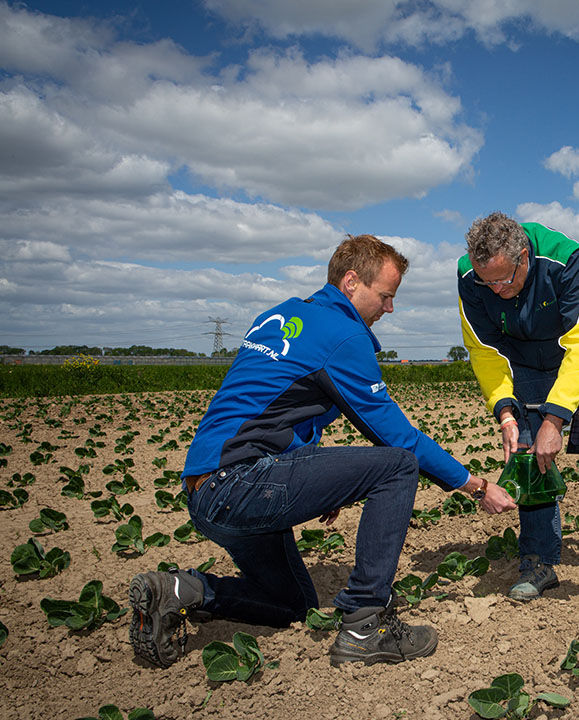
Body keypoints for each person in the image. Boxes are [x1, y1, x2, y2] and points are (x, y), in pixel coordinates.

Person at [128, 234, 516, 669]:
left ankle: (183, 592)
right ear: (351, 282)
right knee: (398, 466)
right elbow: (398, 438)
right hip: (241, 483)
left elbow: (274, 410)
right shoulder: (342, 334)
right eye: (386, 296)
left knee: (291, 604)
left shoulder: (279, 317)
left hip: (206, 490)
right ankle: (365, 623)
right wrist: (474, 484)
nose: (389, 309)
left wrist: (317, 483)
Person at [457, 212, 579, 601]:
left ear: (524, 256)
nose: (494, 290)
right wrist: (506, 412)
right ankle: (538, 559)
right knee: (529, 461)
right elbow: (483, 350)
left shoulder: (566, 260)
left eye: (503, 279)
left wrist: (555, 419)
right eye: (487, 281)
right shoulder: (470, 277)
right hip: (527, 363)